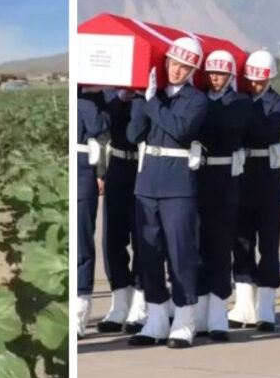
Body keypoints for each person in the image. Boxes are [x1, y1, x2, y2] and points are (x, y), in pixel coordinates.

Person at [126, 37, 208, 348]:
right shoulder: (154, 97)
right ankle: (156, 318)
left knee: (181, 252)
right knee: (149, 253)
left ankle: (184, 319)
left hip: (178, 186)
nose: (176, 70)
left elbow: (180, 129)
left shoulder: (196, 100)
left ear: (191, 70)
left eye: (184, 66)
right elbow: (134, 135)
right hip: (148, 182)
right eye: (173, 63)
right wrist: (140, 104)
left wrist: (151, 104)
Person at [229, 50, 280, 332]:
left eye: (259, 80)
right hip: (241, 179)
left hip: (267, 183)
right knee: (241, 244)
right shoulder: (241, 100)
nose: (254, 84)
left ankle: (266, 306)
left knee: (269, 245)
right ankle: (244, 304)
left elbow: (266, 130)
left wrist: (241, 109)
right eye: (250, 79)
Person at [195, 50, 250, 341]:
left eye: (221, 74)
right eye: (212, 74)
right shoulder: (199, 97)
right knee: (198, 248)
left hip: (224, 179)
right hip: (199, 177)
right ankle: (201, 314)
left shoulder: (239, 102)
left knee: (219, 247)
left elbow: (227, 130)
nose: (216, 79)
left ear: (230, 76)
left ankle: (218, 315)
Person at [96, 88, 146, 334]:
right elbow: (102, 124)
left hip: (143, 164)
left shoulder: (151, 93)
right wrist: (120, 97)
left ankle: (139, 302)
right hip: (116, 164)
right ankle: (119, 302)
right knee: (112, 239)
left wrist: (139, 97)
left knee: (142, 237)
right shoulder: (109, 93)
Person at [77, 87, 111, 338]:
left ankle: (80, 311)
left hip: (82, 175)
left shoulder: (91, 102)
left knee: (81, 244)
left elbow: (102, 133)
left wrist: (101, 172)